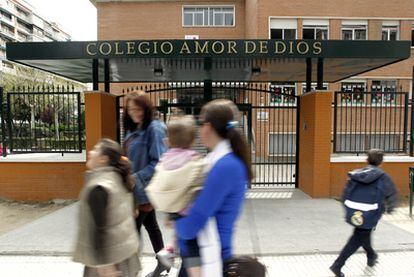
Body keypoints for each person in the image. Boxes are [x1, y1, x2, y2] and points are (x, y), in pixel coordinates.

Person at [175, 99, 253, 276]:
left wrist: (175, 220)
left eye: (200, 123)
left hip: (207, 258)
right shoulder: (221, 161)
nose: (199, 129)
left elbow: (195, 220)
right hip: (206, 253)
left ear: (208, 127)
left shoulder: (225, 165)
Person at [146, 115, 206, 277]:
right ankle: (194, 273)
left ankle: (169, 252)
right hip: (188, 211)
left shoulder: (166, 158)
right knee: (191, 246)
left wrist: (169, 215)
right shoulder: (194, 159)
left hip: (172, 208)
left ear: (168, 140)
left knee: (179, 237)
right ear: (193, 141)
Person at [73, 138, 141, 277]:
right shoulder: (119, 178)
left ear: (103, 159)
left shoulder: (99, 187)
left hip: (107, 260)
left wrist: (104, 265)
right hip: (124, 254)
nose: (90, 152)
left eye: (95, 149)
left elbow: (98, 228)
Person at [330, 149, 398, 277]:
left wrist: (349, 209)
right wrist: (390, 208)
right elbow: (391, 193)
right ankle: (337, 265)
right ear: (381, 162)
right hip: (371, 213)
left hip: (356, 213)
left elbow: (345, 194)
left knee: (363, 233)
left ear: (367, 160)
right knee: (357, 238)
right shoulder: (383, 177)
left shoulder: (357, 174)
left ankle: (371, 256)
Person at [123, 91, 169, 276]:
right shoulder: (133, 128)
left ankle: (130, 270)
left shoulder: (155, 128)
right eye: (131, 109)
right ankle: (164, 262)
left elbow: (159, 162)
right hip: (132, 191)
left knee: (131, 231)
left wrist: (135, 177)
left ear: (146, 108)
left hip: (143, 190)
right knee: (151, 226)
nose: (134, 112)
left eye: (138, 108)